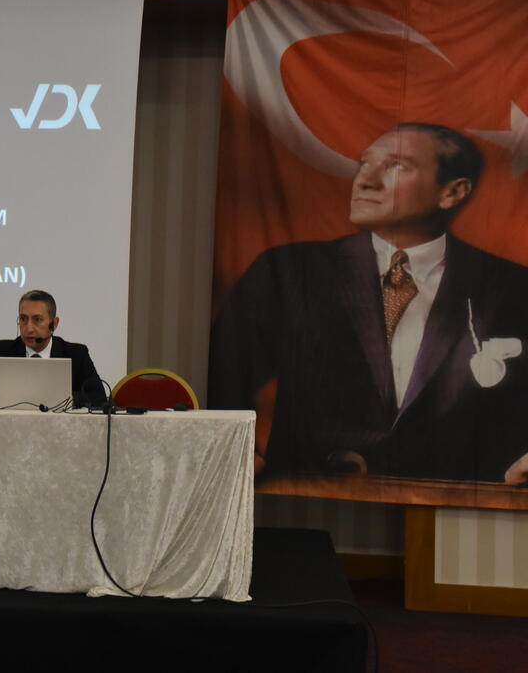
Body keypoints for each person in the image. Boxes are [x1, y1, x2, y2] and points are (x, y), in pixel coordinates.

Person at [210, 123, 528, 484]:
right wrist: (236, 452)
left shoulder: (512, 286)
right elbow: (223, 371)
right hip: (308, 500)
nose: (364, 181)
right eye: (365, 164)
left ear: (453, 192)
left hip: (454, 506)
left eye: (396, 165)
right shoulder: (288, 271)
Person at [0, 289, 106, 407]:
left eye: (37, 320)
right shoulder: (3, 350)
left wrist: (61, 399)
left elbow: (98, 398)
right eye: (23, 319)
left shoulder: (76, 354)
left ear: (54, 324)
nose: (29, 328)